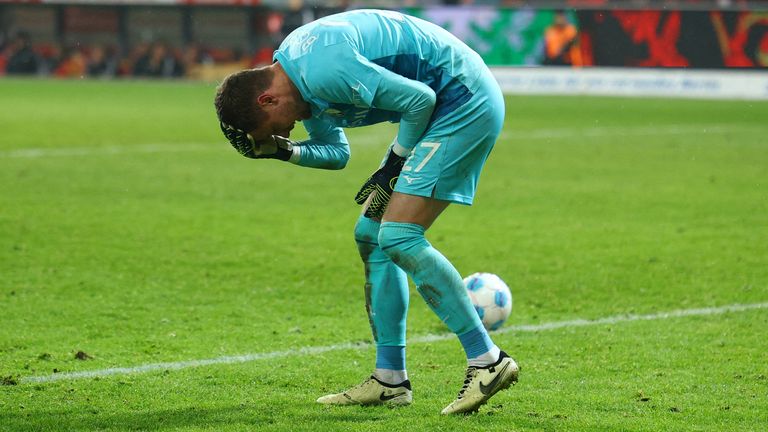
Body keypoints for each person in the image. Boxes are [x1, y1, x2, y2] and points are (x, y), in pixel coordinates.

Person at [213, 9, 518, 415]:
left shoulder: (321, 69)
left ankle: (487, 361)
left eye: (274, 129)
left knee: (399, 235)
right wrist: (285, 152)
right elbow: (337, 153)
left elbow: (420, 99)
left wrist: (395, 161)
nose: (283, 133)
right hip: (438, 110)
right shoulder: (299, 86)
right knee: (372, 237)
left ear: (267, 99)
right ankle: (390, 380)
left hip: (463, 100)